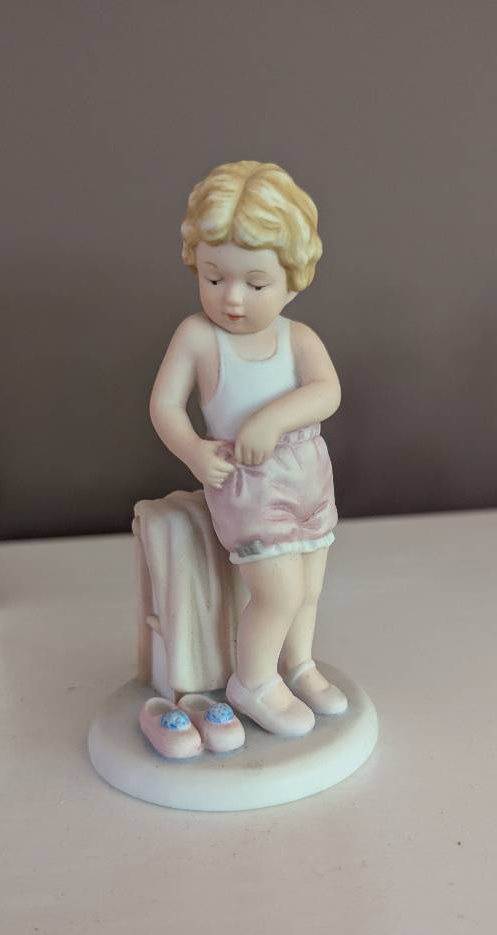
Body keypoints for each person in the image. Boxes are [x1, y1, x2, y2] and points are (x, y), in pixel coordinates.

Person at [149, 160, 347, 738]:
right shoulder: (197, 337)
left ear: (293, 280)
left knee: (309, 586)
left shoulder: (298, 338)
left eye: (255, 284)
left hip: (308, 472)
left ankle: (298, 664)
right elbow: (164, 405)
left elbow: (328, 391)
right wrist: (193, 451)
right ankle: (254, 680)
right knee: (279, 591)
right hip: (250, 483)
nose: (232, 298)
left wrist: (273, 418)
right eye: (214, 278)